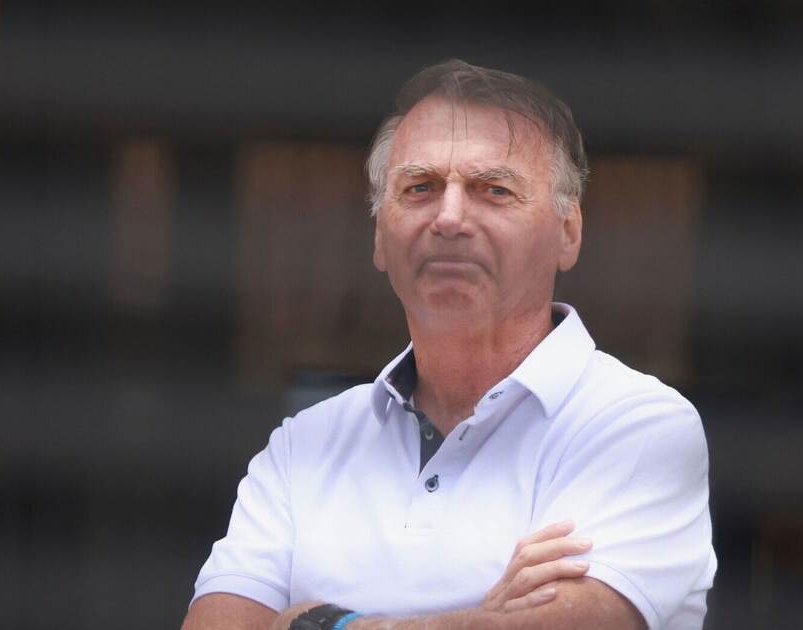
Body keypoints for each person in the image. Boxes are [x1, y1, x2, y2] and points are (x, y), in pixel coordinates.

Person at [182, 59, 716, 630]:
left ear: (569, 231)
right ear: (379, 235)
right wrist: (484, 617)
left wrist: (321, 622)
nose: (450, 217)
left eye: (494, 190)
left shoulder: (635, 427)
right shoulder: (306, 443)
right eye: (420, 187)